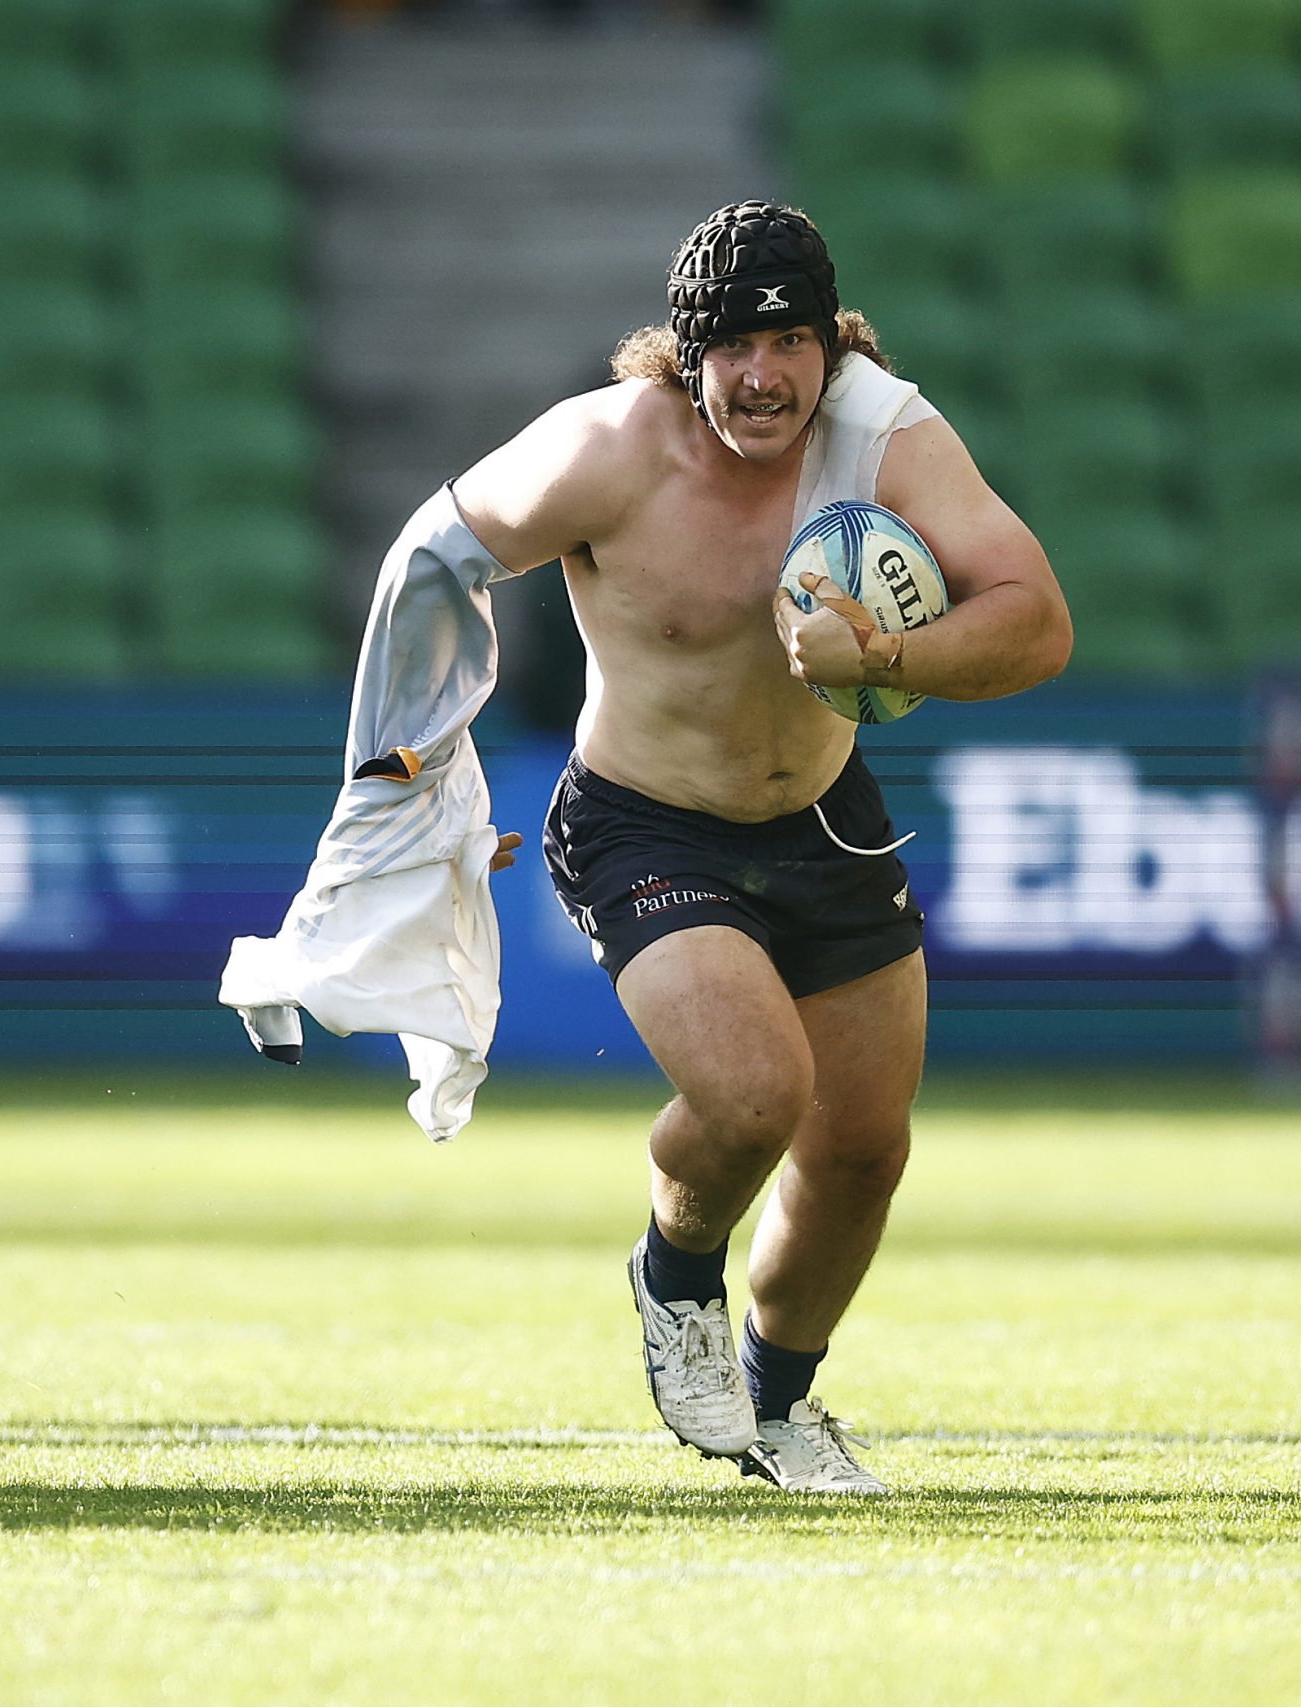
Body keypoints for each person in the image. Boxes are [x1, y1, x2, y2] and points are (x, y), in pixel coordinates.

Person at [453, 202, 1070, 1492]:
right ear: (686, 360)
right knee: (752, 1093)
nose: (761, 374)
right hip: (640, 819)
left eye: (788, 340)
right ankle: (672, 1273)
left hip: (826, 817)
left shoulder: (885, 432)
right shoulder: (609, 446)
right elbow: (433, 555)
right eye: (730, 346)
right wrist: (408, 774)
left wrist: (891, 655)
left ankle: (780, 1405)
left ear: (828, 349)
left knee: (862, 1151)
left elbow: (1037, 622)